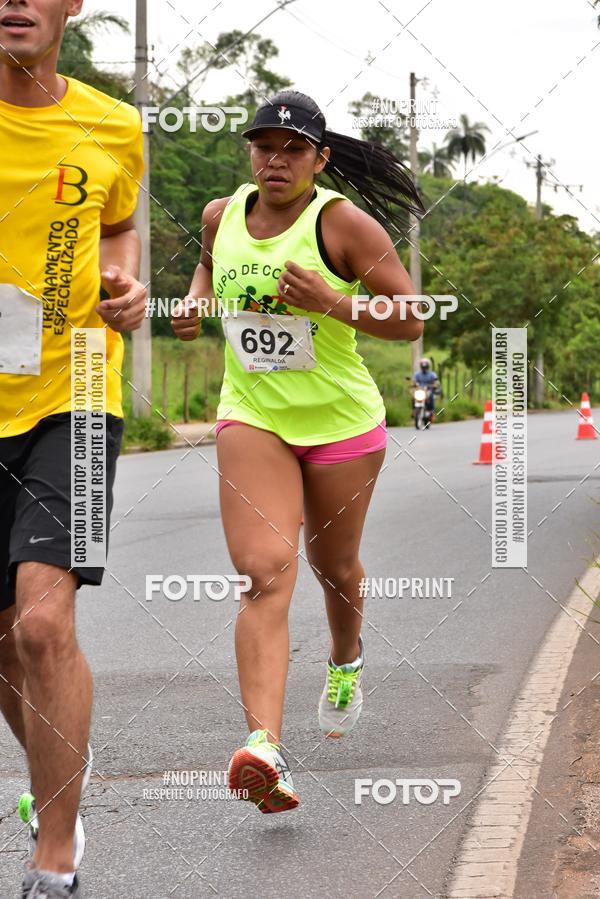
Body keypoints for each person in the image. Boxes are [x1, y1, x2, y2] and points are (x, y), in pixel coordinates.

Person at [172, 90, 424, 813]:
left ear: (321, 158)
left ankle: (346, 658)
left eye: (291, 148)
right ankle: (265, 747)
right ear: (249, 152)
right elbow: (206, 259)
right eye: (263, 146)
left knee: (332, 564)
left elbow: (409, 318)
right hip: (253, 414)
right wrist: (193, 301)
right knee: (263, 571)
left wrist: (334, 302)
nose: (275, 159)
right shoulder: (223, 213)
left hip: (341, 422)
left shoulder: (341, 223)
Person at [0, 2, 145, 895]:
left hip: (80, 391)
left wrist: (126, 281)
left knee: (44, 624)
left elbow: (123, 226)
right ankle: (61, 788)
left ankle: (56, 862)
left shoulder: (112, 122)